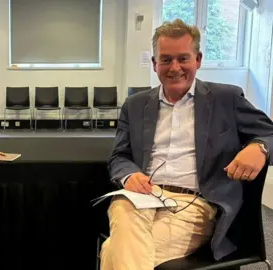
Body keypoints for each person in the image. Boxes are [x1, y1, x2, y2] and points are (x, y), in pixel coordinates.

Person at [100, 18, 273, 269]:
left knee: (114, 249)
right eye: (166, 59)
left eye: (183, 58)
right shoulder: (135, 105)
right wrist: (129, 175)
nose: (175, 67)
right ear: (154, 63)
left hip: (194, 204)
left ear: (198, 60)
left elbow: (271, 135)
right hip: (141, 197)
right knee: (123, 215)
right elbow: (119, 157)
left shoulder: (227, 98)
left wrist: (260, 147)